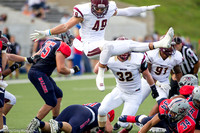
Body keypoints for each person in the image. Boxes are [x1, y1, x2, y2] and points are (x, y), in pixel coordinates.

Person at [30, 0, 174, 91]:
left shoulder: (110, 7)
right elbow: (66, 26)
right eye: (97, 9)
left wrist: (145, 8)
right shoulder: (83, 11)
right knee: (108, 46)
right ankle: (100, 74)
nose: (99, 11)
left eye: (101, 9)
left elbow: (126, 11)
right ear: (92, 6)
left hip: (101, 45)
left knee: (128, 45)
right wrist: (46, 32)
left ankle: (159, 43)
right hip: (90, 47)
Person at [94, 37, 159, 133]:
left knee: (123, 123)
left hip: (134, 94)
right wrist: (103, 57)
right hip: (119, 91)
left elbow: (147, 75)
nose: (124, 52)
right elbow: (96, 71)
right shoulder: (110, 59)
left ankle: (128, 127)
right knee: (101, 111)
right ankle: (101, 130)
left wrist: (153, 88)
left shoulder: (138, 58)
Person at [26, 32, 80, 132]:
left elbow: (36, 55)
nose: (70, 42)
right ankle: (33, 125)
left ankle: (56, 121)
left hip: (40, 72)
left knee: (58, 94)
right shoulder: (61, 46)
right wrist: (72, 70)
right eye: (70, 39)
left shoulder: (49, 41)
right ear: (64, 37)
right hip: (39, 73)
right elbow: (60, 69)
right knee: (51, 101)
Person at [0, 32, 39, 132]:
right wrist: (14, 67)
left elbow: (11, 56)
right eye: (5, 47)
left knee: (10, 99)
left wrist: (27, 59)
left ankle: (2, 124)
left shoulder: (4, 55)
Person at [139, 39, 183, 117]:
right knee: (136, 100)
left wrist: (181, 86)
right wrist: (157, 83)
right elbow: (146, 74)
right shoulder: (152, 54)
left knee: (163, 103)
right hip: (148, 80)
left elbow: (178, 72)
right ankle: (126, 120)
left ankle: (148, 121)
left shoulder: (176, 56)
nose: (169, 54)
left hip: (163, 81)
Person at [119, 98, 196, 133]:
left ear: (181, 114)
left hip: (174, 129)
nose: (169, 113)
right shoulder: (167, 110)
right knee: (145, 121)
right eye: (170, 110)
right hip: (165, 121)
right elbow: (151, 123)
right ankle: (133, 118)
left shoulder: (187, 125)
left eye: (173, 113)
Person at [33, 102, 114, 133]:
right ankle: (59, 125)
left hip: (73, 108)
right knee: (73, 130)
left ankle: (39, 123)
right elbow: (109, 129)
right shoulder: (104, 110)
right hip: (84, 113)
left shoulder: (97, 105)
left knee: (50, 130)